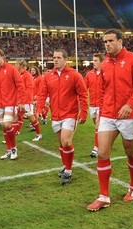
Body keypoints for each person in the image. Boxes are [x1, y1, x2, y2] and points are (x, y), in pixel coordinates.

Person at [87, 29, 133, 211]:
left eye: (111, 41)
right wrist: (100, 113)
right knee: (102, 153)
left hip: (128, 116)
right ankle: (104, 196)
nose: (107, 44)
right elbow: (102, 91)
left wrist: (129, 105)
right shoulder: (104, 64)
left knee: (130, 153)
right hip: (107, 115)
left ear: (120, 41)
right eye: (105, 41)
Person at [36, 49, 88, 185]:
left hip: (70, 114)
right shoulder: (48, 76)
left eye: (59, 57)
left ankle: (68, 171)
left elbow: (83, 94)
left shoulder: (75, 75)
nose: (55, 60)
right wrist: (39, 108)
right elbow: (42, 94)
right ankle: (65, 165)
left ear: (66, 59)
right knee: (61, 144)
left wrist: (83, 112)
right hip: (55, 115)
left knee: (66, 142)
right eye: (54, 57)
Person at [14, 59, 42, 141]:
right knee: (17, 116)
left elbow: (29, 88)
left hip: (27, 101)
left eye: (16, 64)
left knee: (31, 117)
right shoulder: (18, 74)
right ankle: (15, 134)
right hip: (20, 100)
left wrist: (22, 100)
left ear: (21, 65)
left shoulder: (27, 75)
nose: (15, 65)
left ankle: (38, 134)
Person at [84, 53, 105, 158]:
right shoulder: (89, 74)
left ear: (102, 62)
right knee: (98, 127)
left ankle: (96, 149)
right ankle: (104, 141)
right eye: (93, 60)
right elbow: (84, 88)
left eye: (96, 60)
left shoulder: (106, 73)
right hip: (92, 104)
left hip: (103, 105)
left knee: (98, 125)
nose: (94, 62)